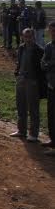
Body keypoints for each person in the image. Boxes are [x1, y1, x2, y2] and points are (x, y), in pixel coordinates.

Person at [10, 28, 44, 142]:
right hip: (21, 79)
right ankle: (21, 131)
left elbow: (41, 68)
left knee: (33, 108)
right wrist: (17, 72)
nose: (28, 39)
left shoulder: (39, 50)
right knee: (21, 105)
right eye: (26, 36)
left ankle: (33, 134)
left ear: (33, 37)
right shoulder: (21, 48)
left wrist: (36, 80)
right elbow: (19, 62)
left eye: (30, 37)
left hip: (32, 81)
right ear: (23, 37)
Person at [41, 21, 55, 154]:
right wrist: (50, 63)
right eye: (51, 31)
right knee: (51, 115)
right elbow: (42, 64)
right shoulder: (49, 46)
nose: (52, 33)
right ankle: (52, 140)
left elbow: (47, 63)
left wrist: (49, 64)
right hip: (51, 85)